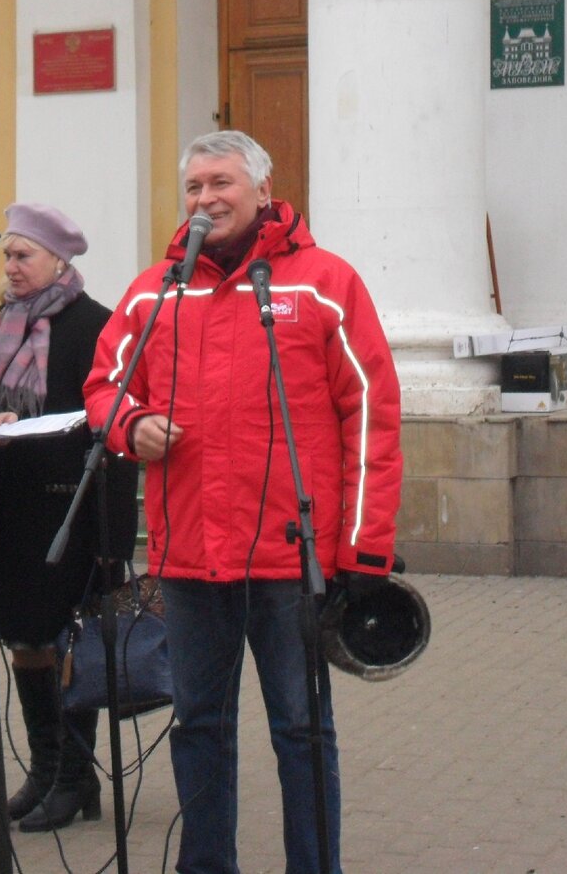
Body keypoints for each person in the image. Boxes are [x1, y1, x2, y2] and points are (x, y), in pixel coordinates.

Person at [83, 131, 403, 873]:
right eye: (193, 187)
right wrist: (130, 426)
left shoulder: (323, 283)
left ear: (263, 190)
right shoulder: (154, 292)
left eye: (220, 183)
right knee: (199, 726)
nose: (205, 199)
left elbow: (372, 416)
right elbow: (102, 387)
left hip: (292, 559)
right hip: (191, 560)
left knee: (301, 728)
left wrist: (365, 549)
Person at [0, 203, 139, 832]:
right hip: (12, 515)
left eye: (23, 256)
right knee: (23, 642)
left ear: (58, 261)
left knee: (66, 646)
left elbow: (117, 437)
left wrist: (114, 542)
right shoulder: (3, 326)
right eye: (7, 256)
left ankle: (76, 778)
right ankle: (45, 769)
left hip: (70, 516)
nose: (11, 268)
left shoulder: (95, 326)